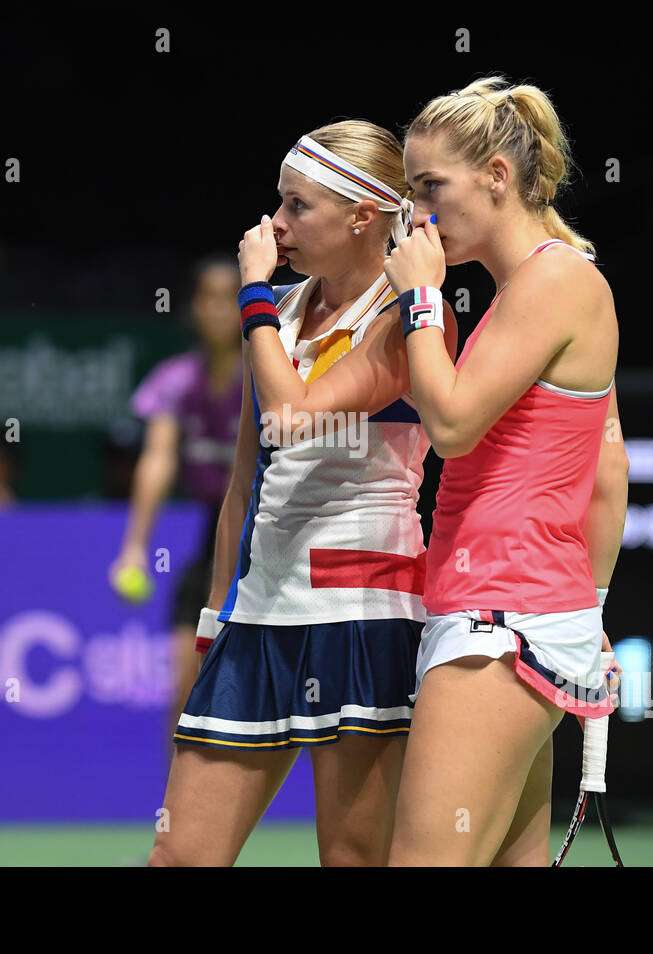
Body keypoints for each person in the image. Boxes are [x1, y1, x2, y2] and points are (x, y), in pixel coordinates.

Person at [148, 121, 459, 867]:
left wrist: (252, 290)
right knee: (179, 857)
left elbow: (291, 418)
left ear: (361, 215)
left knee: (351, 858)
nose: (275, 224)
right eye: (278, 204)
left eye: (298, 206)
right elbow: (243, 482)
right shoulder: (277, 316)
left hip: (364, 616)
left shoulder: (406, 317)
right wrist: (213, 613)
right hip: (259, 613)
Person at [382, 76, 630, 866]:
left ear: (496, 175)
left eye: (431, 188)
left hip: (500, 622)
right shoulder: (546, 284)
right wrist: (587, 613)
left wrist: (421, 299)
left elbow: (451, 426)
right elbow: (609, 466)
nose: (419, 213)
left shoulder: (555, 283)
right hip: (523, 616)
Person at [109, 254, 244, 753]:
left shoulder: (269, 372)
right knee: (184, 679)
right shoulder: (175, 380)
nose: (216, 310)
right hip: (213, 539)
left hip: (272, 537)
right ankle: (177, 818)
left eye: (228, 298)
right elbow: (158, 461)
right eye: (206, 298)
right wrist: (134, 548)